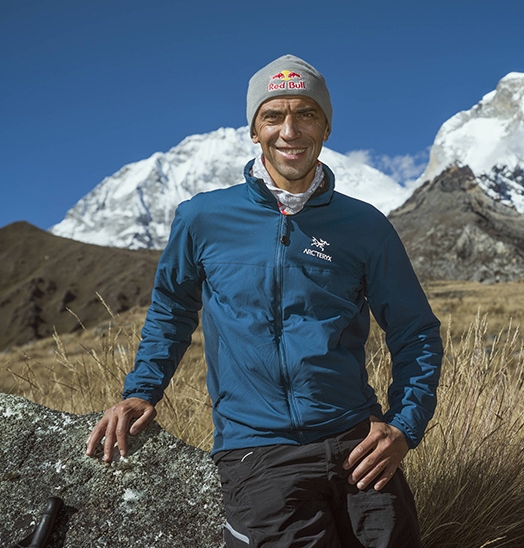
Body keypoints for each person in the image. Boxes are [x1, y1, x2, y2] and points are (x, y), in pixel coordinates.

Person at [86, 54, 444, 548]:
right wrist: (141, 391)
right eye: (273, 116)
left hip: (358, 442)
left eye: (306, 114)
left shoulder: (366, 227)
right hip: (258, 451)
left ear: (326, 126)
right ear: (254, 130)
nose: (290, 130)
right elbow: (172, 311)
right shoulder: (202, 219)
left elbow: (415, 331)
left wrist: (404, 426)